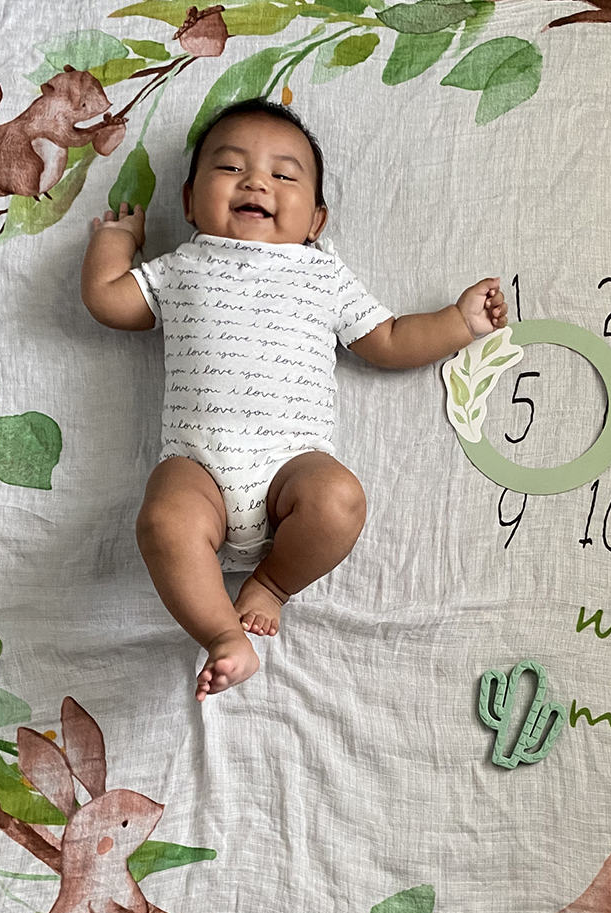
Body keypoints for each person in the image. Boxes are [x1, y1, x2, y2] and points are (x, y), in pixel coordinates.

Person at [81, 99, 508, 701]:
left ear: (316, 219)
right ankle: (223, 634)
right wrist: (118, 242)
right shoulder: (182, 267)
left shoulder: (321, 275)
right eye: (230, 169)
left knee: (340, 500)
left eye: (284, 175)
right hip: (198, 466)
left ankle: (272, 585)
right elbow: (109, 300)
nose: (257, 181)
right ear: (187, 201)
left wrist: (458, 322)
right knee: (162, 520)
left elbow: (386, 339)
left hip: (290, 468)